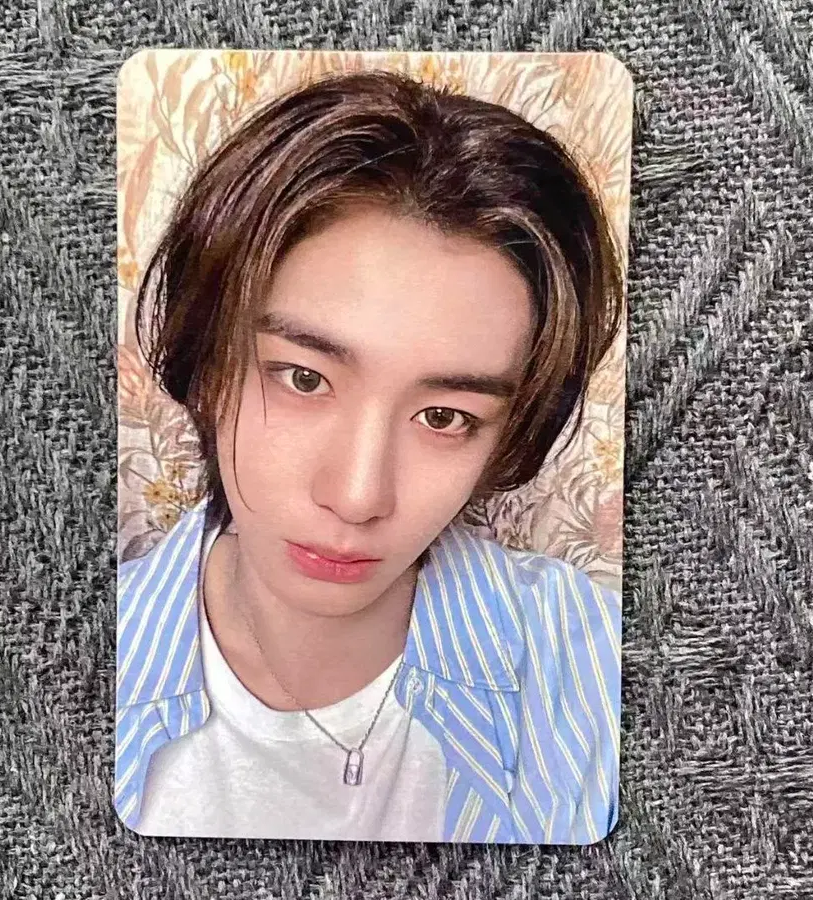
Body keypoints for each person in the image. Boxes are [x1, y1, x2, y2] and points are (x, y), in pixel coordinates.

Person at [115, 67, 625, 844]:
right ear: (207, 364)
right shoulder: (60, 655)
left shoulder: (598, 662)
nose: (357, 496)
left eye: (444, 417)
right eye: (304, 378)